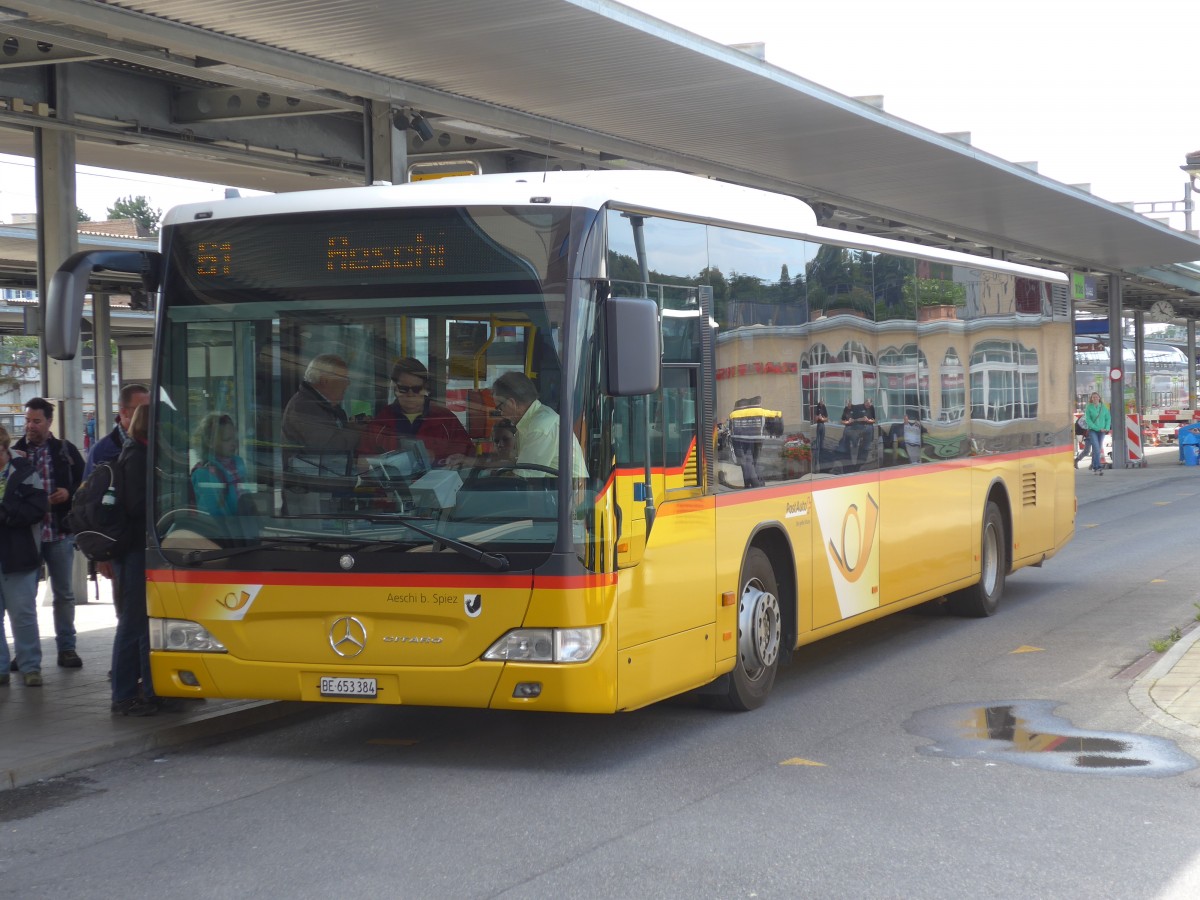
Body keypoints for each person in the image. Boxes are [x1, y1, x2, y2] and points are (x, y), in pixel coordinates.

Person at [110, 404, 176, 716]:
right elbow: (137, 507)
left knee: (147, 624)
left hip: (144, 549)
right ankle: (124, 695)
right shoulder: (136, 456)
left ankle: (152, 690)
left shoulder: (142, 453)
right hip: (136, 550)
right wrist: (167, 499)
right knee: (133, 624)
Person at [12, 397, 85, 670]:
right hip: (25, 536)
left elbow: (86, 483)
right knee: (24, 597)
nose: (30, 426)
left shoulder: (64, 450)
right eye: (27, 420)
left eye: (36, 421)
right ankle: (25, 652)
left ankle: (67, 648)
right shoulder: (15, 451)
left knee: (64, 594)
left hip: (59, 533)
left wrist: (69, 492)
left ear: (49, 422)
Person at [450, 372, 587, 478]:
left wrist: (487, 477)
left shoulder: (540, 427)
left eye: (499, 407)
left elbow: (525, 478)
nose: (500, 413)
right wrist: (470, 461)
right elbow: (512, 462)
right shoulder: (532, 421)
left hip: (567, 503)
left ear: (511, 403)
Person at [0, 425, 49, 688]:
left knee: (23, 615)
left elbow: (38, 508)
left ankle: (31, 667)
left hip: (19, 554)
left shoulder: (25, 472)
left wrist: (7, 513)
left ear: (4, 448)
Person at [357, 357, 473, 466]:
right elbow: (362, 464)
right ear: (395, 388)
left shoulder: (445, 420)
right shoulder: (381, 422)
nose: (410, 394)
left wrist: (436, 458)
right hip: (393, 486)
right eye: (404, 389)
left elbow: (468, 458)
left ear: (425, 388)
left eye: (416, 389)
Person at [281, 353, 360, 470]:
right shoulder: (303, 407)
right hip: (312, 483)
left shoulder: (322, 405)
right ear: (325, 381)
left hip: (328, 479)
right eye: (344, 378)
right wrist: (358, 432)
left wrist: (351, 426)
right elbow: (329, 448)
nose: (348, 383)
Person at [85, 383, 150, 478]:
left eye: (151, 409)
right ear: (124, 412)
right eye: (142, 410)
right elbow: (89, 490)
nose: (149, 415)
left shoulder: (160, 442)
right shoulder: (101, 451)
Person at [191, 413, 247, 516]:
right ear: (209, 442)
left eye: (234, 439)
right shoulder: (204, 473)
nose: (234, 443)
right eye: (227, 439)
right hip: (225, 528)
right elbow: (212, 512)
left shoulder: (238, 463)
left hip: (244, 522)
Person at [840, 396, 876, 467]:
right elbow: (854, 419)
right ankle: (851, 460)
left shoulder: (872, 408)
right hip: (857, 427)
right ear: (865, 402)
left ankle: (861, 462)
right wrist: (860, 419)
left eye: (869, 404)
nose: (868, 405)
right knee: (854, 443)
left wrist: (868, 420)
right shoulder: (858, 407)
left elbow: (874, 420)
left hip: (868, 427)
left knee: (866, 446)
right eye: (867, 403)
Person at [1083, 391, 1111, 476]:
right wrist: (1098, 428)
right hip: (1093, 430)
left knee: (1097, 449)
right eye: (1093, 397)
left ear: (1099, 398)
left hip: (1102, 431)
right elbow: (1088, 420)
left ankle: (1094, 467)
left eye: (1096, 397)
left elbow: (1108, 418)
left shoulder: (1103, 407)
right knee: (1096, 448)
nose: (1095, 398)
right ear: (1091, 399)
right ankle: (1098, 467)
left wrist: (1106, 428)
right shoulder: (1089, 407)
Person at [811, 397, 828, 472]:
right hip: (819, 425)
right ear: (819, 401)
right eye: (821, 401)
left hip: (823, 425)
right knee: (818, 440)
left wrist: (823, 419)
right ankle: (817, 456)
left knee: (822, 440)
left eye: (823, 401)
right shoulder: (817, 407)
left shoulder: (824, 407)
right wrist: (819, 417)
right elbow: (815, 418)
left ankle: (822, 453)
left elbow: (827, 418)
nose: (822, 402)